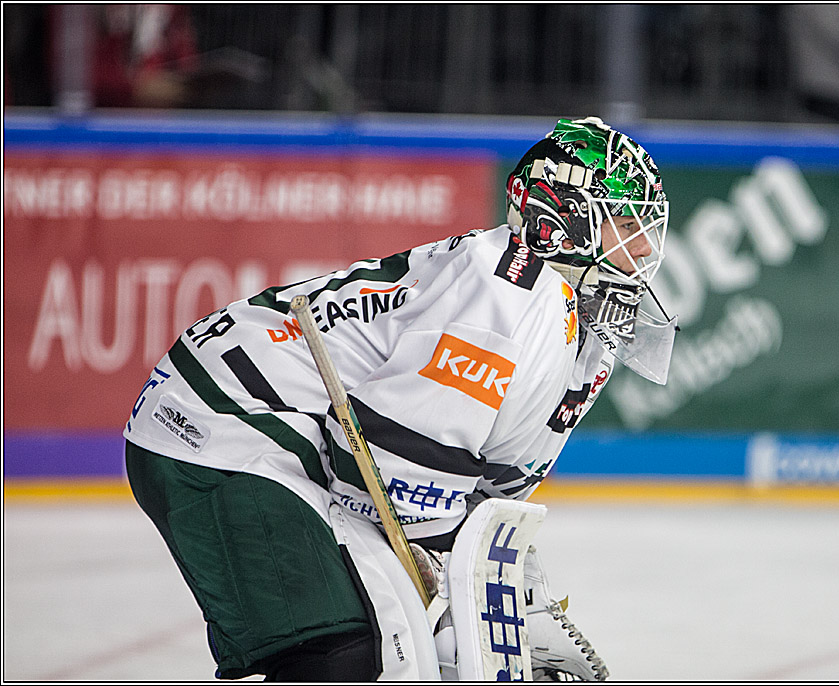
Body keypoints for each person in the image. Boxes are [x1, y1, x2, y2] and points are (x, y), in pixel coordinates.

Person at [123, 116, 673, 681]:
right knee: (348, 653)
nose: (644, 247)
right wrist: (454, 623)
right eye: (626, 224)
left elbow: (483, 501)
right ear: (564, 222)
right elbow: (385, 480)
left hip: (294, 441)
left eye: (647, 228)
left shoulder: (582, 336)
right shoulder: (509, 299)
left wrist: (519, 605)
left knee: (383, 646)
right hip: (217, 425)